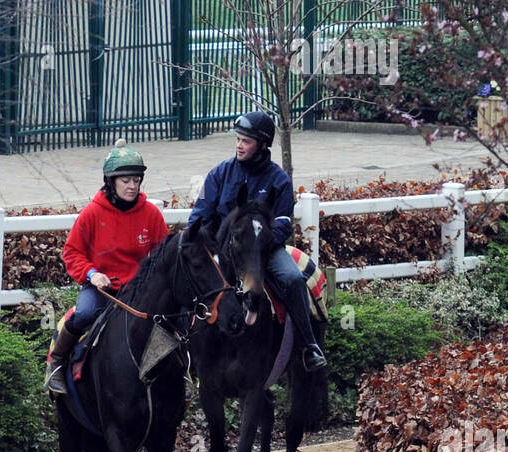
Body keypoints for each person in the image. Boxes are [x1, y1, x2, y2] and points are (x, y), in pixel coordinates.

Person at [188, 110, 326, 372]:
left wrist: (259, 244)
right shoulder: (219, 174)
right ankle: (184, 347)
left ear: (262, 145)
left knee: (294, 279)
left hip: (265, 251)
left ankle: (309, 347)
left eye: (246, 141)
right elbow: (201, 215)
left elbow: (284, 223)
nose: (240, 145)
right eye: (238, 139)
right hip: (224, 250)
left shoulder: (279, 180)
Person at [45, 146, 169, 394]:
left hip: (139, 292)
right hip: (104, 290)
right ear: (111, 182)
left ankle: (183, 376)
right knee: (84, 314)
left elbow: (163, 256)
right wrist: (92, 274)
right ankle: (56, 364)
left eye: (136, 180)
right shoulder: (92, 213)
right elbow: (72, 252)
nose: (132, 186)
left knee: (171, 319)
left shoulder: (151, 215)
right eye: (125, 180)